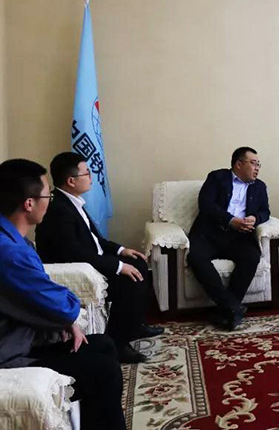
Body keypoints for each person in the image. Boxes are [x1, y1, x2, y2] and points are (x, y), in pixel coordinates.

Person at [0, 158, 126, 429]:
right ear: (29, 203)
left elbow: (42, 296)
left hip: (20, 337)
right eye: (47, 196)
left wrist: (64, 316)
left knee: (103, 345)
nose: (51, 202)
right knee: (104, 371)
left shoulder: (12, 237)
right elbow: (64, 305)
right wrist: (65, 314)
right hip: (9, 354)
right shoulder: (8, 252)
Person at [36, 152, 162, 364]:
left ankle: (135, 325)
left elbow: (94, 239)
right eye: (87, 173)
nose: (91, 177)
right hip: (78, 268)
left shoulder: (72, 202)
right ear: (71, 180)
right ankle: (119, 343)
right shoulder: (59, 210)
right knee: (128, 281)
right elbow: (73, 253)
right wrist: (118, 266)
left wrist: (121, 250)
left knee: (138, 262)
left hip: (90, 258)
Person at [187, 147, 270, 330]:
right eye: (253, 163)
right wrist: (230, 220)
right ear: (239, 164)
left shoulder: (259, 186)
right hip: (210, 233)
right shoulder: (217, 178)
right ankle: (232, 306)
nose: (257, 168)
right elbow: (206, 205)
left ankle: (226, 310)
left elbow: (265, 211)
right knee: (195, 257)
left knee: (251, 256)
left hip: (239, 236)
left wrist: (255, 218)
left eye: (259, 164)